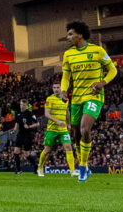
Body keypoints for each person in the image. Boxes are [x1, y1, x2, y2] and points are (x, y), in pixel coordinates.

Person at [59, 21, 117, 181]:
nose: (68, 37)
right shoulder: (68, 54)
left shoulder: (97, 51)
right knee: (77, 135)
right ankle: (85, 166)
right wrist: (64, 90)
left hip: (94, 96)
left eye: (70, 34)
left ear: (80, 35)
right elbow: (65, 77)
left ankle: (83, 168)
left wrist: (102, 83)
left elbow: (113, 69)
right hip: (76, 98)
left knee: (85, 130)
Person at [36, 80, 71, 178]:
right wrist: (57, 121)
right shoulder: (49, 99)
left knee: (68, 147)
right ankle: (40, 167)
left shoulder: (65, 99)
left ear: (61, 88)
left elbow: (67, 111)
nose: (56, 89)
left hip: (63, 129)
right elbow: (46, 114)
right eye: (54, 88)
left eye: (57, 87)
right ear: (52, 89)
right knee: (47, 150)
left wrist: (68, 123)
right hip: (52, 128)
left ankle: (73, 171)